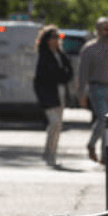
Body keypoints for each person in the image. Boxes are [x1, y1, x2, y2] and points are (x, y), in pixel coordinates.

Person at [78, 17, 108, 164]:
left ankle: (105, 155)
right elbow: (82, 74)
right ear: (97, 31)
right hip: (96, 88)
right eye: (105, 29)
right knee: (103, 119)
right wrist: (81, 94)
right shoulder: (89, 49)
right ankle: (93, 144)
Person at [34, 25, 73, 167]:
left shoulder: (61, 55)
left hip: (60, 92)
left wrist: (63, 76)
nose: (56, 40)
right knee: (54, 124)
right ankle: (49, 154)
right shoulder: (44, 56)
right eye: (53, 37)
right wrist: (42, 98)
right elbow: (41, 79)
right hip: (49, 94)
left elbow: (69, 72)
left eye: (58, 37)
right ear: (47, 40)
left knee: (57, 126)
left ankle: (51, 153)